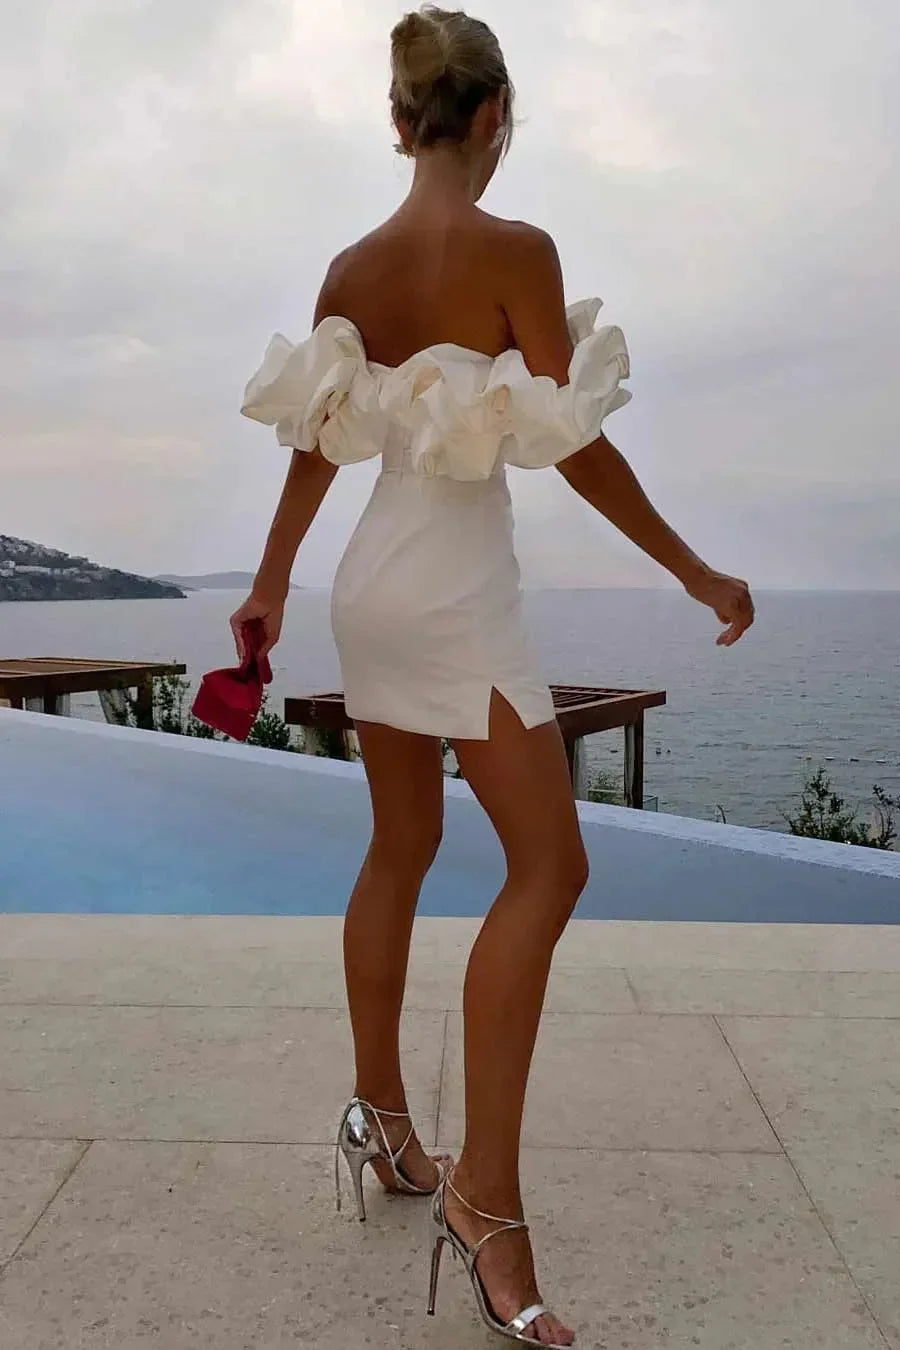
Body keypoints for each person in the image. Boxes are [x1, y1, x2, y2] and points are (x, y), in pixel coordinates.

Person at [231, 6, 755, 1345]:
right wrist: (695, 572)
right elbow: (576, 446)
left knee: (399, 842)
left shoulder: (352, 264)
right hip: (457, 596)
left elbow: (315, 448)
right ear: (494, 121)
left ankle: (383, 1120)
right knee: (552, 866)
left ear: (401, 122)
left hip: (367, 588)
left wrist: (271, 583)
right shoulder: (517, 248)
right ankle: (487, 1199)